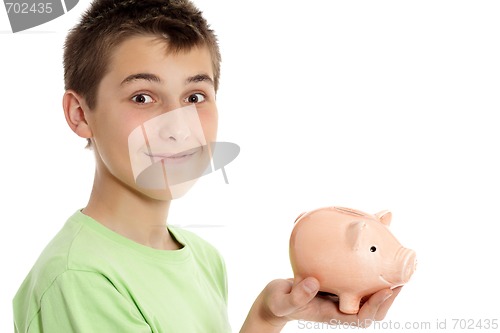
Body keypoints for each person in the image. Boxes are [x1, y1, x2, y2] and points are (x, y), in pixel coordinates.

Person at [13, 0, 401, 332]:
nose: (178, 128)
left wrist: (266, 317)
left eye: (195, 96)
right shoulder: (80, 279)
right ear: (80, 114)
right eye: (143, 97)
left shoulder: (202, 257)